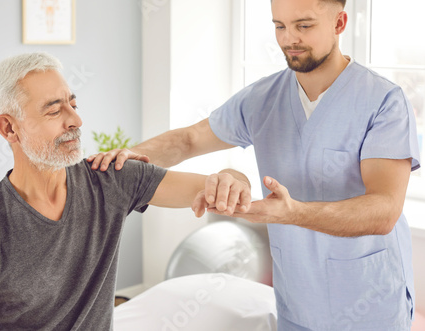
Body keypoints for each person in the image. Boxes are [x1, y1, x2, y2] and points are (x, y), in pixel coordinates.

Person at [87, 0, 421, 329]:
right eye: (279, 26)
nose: (289, 39)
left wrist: (294, 213)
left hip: (369, 301)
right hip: (298, 302)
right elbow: (189, 139)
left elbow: (384, 210)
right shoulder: (262, 98)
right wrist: (130, 155)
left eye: (304, 26)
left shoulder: (383, 101)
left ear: (339, 23)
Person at [0, 52, 252, 331]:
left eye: (73, 104)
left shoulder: (109, 179)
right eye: (55, 111)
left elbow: (214, 188)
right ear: (9, 128)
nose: (76, 120)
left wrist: (232, 178)